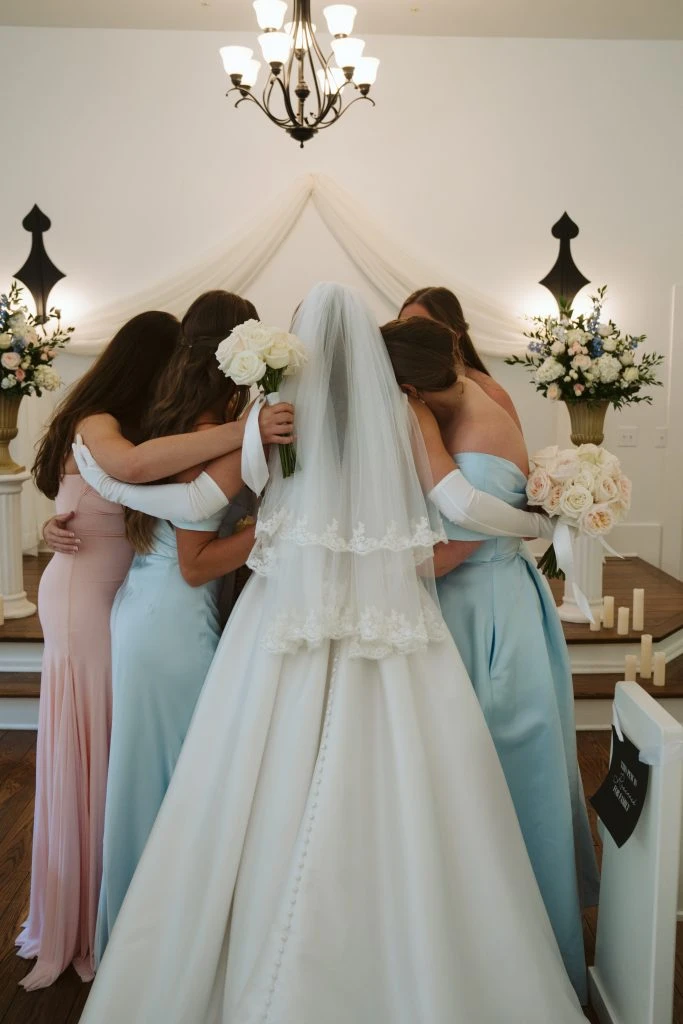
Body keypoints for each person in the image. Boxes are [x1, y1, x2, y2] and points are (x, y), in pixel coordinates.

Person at [78, 283, 587, 1024]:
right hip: (385, 603)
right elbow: (453, 502)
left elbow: (196, 505)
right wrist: (541, 520)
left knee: (250, 765)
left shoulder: (275, 412)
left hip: (286, 604)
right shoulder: (402, 409)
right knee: (421, 775)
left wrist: (108, 479)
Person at [18, 309, 293, 991]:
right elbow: (135, 474)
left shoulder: (156, 423)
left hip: (127, 591)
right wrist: (251, 431)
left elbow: (157, 496)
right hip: (90, 596)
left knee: (117, 752)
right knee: (94, 746)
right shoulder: (100, 424)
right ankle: (88, 914)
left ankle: (116, 903)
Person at [381, 314, 599, 1003]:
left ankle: (511, 947)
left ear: (412, 387)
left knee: (496, 770)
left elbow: (452, 544)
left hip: (485, 610)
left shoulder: (466, 430)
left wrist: (361, 571)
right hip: (494, 594)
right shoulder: (471, 391)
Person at [91, 291, 264, 964]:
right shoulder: (205, 425)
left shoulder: (173, 414)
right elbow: (196, 565)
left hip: (145, 610)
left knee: (147, 778)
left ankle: (141, 942)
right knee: (176, 782)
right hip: (172, 622)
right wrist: (270, 533)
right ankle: (158, 950)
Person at [399, 285, 522, 429]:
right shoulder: (403, 387)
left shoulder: (492, 395)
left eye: (422, 329)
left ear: (456, 333)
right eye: (402, 328)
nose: (409, 340)